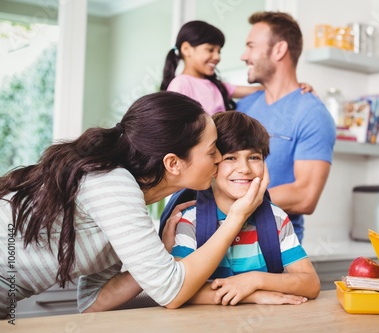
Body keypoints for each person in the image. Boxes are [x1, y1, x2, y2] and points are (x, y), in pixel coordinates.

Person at [0, 91, 270, 319]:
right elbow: (172, 292)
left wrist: (160, 254)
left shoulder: (125, 203)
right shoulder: (113, 184)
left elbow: (93, 304)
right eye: (212, 151)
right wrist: (236, 217)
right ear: (173, 163)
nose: (220, 158)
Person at [170, 111, 320, 306]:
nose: (245, 169)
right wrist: (252, 295)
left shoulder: (276, 219)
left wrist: (254, 280)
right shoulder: (190, 221)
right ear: (211, 164)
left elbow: (311, 284)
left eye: (254, 157)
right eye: (231, 158)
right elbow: (178, 289)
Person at [236, 11, 336, 242]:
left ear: (279, 50)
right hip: (226, 243)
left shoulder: (312, 114)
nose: (244, 55)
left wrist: (232, 200)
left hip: (276, 252)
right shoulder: (243, 106)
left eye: (251, 46)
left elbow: (305, 196)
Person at [160, 20, 313, 116]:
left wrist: (294, 87)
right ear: (186, 49)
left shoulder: (217, 86)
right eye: (210, 49)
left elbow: (258, 89)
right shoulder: (181, 84)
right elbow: (175, 128)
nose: (217, 56)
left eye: (219, 51)